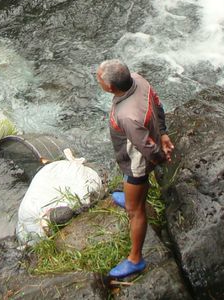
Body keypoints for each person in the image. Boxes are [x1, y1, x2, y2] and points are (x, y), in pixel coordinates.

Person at [96, 59, 174, 280]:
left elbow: (146, 148)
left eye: (99, 77)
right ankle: (134, 196)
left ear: (111, 87)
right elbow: (157, 103)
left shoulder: (127, 115)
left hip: (136, 162)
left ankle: (135, 259)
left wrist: (161, 157)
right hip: (141, 145)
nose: (97, 78)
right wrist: (164, 132)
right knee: (133, 187)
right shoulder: (138, 80)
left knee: (134, 211)